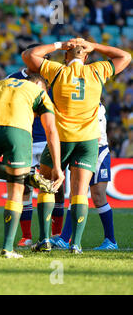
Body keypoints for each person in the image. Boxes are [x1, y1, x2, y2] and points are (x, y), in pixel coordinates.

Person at [22, 38, 131, 253]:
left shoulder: (58, 71)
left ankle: (45, 239)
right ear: (87, 56)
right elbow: (125, 57)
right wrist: (96, 45)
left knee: (47, 184)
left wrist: (58, 44)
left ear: (65, 57)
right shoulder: (97, 70)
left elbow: (29, 55)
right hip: (88, 141)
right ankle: (76, 244)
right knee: (80, 192)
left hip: (61, 139)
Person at [0, 74, 64, 258]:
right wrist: (57, 167)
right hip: (18, 132)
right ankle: (7, 248)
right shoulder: (40, 93)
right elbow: (51, 130)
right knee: (16, 189)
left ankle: (24, 176)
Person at [7, 44, 65, 248]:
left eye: (47, 58)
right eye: (42, 57)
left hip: (50, 138)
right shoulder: (12, 79)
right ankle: (27, 236)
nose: (44, 62)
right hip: (24, 139)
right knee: (24, 187)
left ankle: (56, 235)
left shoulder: (55, 77)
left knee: (55, 187)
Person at [51, 103, 118, 250]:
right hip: (82, 150)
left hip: (98, 151)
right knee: (76, 193)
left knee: (98, 195)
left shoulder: (95, 106)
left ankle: (111, 240)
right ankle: (64, 238)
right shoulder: (82, 103)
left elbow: (98, 137)